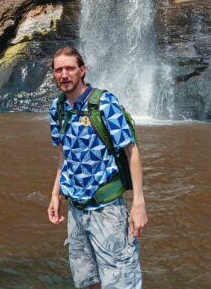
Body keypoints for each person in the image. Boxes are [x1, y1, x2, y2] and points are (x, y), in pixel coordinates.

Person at [47, 46, 147, 289]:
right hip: (76, 211)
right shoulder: (57, 109)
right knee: (87, 281)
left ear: (82, 70)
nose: (64, 74)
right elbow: (64, 155)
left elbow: (131, 151)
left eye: (70, 68)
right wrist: (55, 194)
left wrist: (138, 204)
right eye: (59, 69)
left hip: (107, 209)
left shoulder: (104, 103)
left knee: (121, 281)